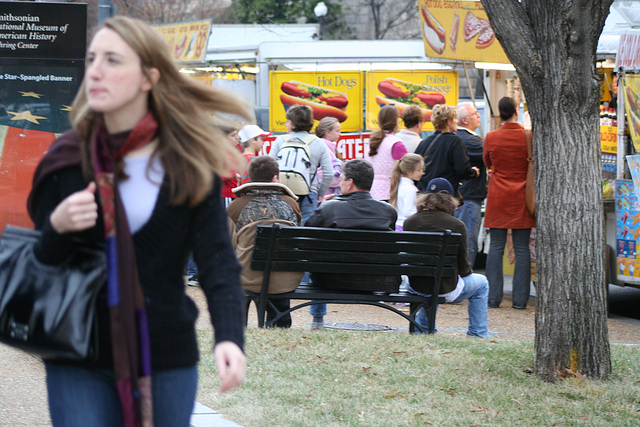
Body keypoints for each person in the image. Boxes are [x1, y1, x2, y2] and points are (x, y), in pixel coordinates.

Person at [26, 16, 247, 427]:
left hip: (165, 351)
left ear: (149, 77)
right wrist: (56, 226)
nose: (95, 70)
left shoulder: (187, 163)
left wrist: (229, 335)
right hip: (77, 351)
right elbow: (42, 265)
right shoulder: (67, 160)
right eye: (93, 58)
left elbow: (217, 259)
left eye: (113, 60)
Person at [305, 159, 399, 329]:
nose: (340, 183)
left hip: (330, 280)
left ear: (350, 183)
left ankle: (317, 320)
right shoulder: (388, 211)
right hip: (374, 281)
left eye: (341, 179)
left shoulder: (329, 208)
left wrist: (322, 205)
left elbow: (307, 238)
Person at [403, 178, 490, 338]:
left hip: (416, 285)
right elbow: (464, 269)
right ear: (450, 199)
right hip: (445, 288)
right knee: (482, 284)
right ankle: (478, 334)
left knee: (429, 281)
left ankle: (422, 330)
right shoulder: (456, 225)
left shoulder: (410, 222)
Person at [227, 156, 302, 328]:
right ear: (275, 178)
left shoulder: (235, 207)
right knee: (277, 280)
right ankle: (279, 327)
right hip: (284, 280)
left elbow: (228, 247)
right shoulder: (292, 204)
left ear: (251, 177)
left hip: (246, 279)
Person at [483, 96, 536, 309]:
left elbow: (488, 162)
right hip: (523, 195)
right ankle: (520, 301)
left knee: (496, 247)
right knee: (522, 248)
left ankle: (493, 298)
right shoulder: (528, 137)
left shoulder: (491, 136)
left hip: (498, 196)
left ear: (499, 112)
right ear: (516, 110)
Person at [269, 104, 332, 224]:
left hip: (283, 192)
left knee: (284, 228)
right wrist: (319, 194)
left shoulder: (280, 141)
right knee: (305, 231)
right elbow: (328, 173)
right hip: (309, 194)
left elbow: (269, 168)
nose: (286, 125)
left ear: (293, 124)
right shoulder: (319, 143)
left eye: (287, 121)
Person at [415, 104, 479, 194]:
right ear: (448, 122)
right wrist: (474, 172)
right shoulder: (455, 141)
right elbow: (462, 170)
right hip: (445, 195)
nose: (457, 121)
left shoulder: (425, 142)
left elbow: (414, 166)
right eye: (455, 119)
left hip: (425, 194)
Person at [454, 102, 487, 267]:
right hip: (468, 197)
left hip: (460, 196)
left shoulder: (456, 138)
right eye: (475, 113)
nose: (479, 115)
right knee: (468, 240)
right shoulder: (470, 141)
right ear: (465, 120)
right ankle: (465, 279)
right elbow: (490, 154)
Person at [366, 105, 408, 201]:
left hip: (371, 191)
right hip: (390, 192)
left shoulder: (372, 141)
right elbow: (406, 170)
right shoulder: (396, 144)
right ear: (396, 121)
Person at [389, 153, 424, 231]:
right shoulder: (409, 188)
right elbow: (408, 211)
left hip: (398, 225)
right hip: (406, 226)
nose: (422, 173)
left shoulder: (399, 184)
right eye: (419, 170)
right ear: (409, 171)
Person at [314, 116, 343, 200]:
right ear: (328, 132)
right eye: (337, 131)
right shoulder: (323, 149)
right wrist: (343, 178)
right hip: (325, 197)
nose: (339, 134)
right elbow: (321, 175)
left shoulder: (328, 147)